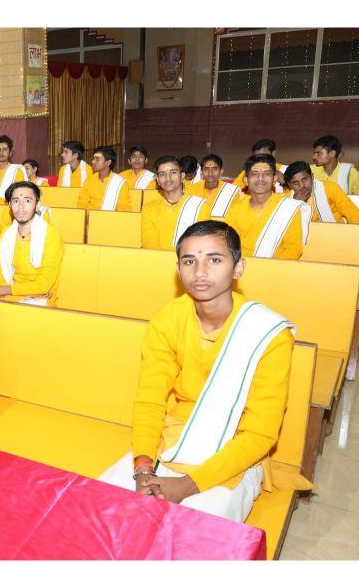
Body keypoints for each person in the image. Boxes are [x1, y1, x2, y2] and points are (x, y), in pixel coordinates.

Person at [98, 220, 310, 522]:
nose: (200, 272)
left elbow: (260, 434)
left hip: (234, 455)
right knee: (100, 508)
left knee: (196, 534)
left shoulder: (268, 333)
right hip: (173, 439)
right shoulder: (168, 319)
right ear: (178, 269)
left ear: (238, 268)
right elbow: (150, 400)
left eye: (214, 259)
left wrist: (187, 486)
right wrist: (144, 467)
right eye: (189, 261)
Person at [0, 181, 64, 307]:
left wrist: (7, 290)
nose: (21, 207)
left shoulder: (50, 235)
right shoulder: (6, 234)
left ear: (38, 205)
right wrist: (6, 291)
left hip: (38, 298)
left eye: (28, 201)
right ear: (10, 205)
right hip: (9, 295)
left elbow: (44, 284)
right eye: (16, 201)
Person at [224, 154, 306, 260]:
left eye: (266, 174)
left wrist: (268, 269)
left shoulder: (287, 208)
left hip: (275, 269)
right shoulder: (235, 208)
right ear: (246, 180)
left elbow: (293, 248)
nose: (260, 179)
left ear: (274, 179)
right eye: (255, 174)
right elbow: (228, 245)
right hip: (240, 267)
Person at [142, 156, 211, 251]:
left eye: (173, 172)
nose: (168, 178)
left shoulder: (199, 206)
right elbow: (149, 243)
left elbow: (201, 243)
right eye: (162, 174)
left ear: (182, 176)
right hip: (157, 261)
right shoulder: (149, 208)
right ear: (157, 180)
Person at [284, 161, 359, 224]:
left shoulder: (330, 188)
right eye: (295, 183)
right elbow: (284, 226)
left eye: (304, 179)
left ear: (312, 177)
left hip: (335, 235)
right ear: (289, 185)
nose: (302, 185)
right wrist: (295, 203)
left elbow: (354, 216)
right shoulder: (286, 199)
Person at [186, 154, 241, 218]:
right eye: (206, 169)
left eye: (214, 169)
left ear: (221, 172)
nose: (210, 173)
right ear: (201, 172)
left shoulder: (232, 191)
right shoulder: (191, 189)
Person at [77, 146, 130, 211]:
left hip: (110, 219)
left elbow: (124, 208)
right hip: (90, 218)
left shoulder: (120, 183)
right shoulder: (89, 180)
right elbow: (82, 203)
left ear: (108, 163)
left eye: (97, 159)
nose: (93, 161)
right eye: (94, 158)